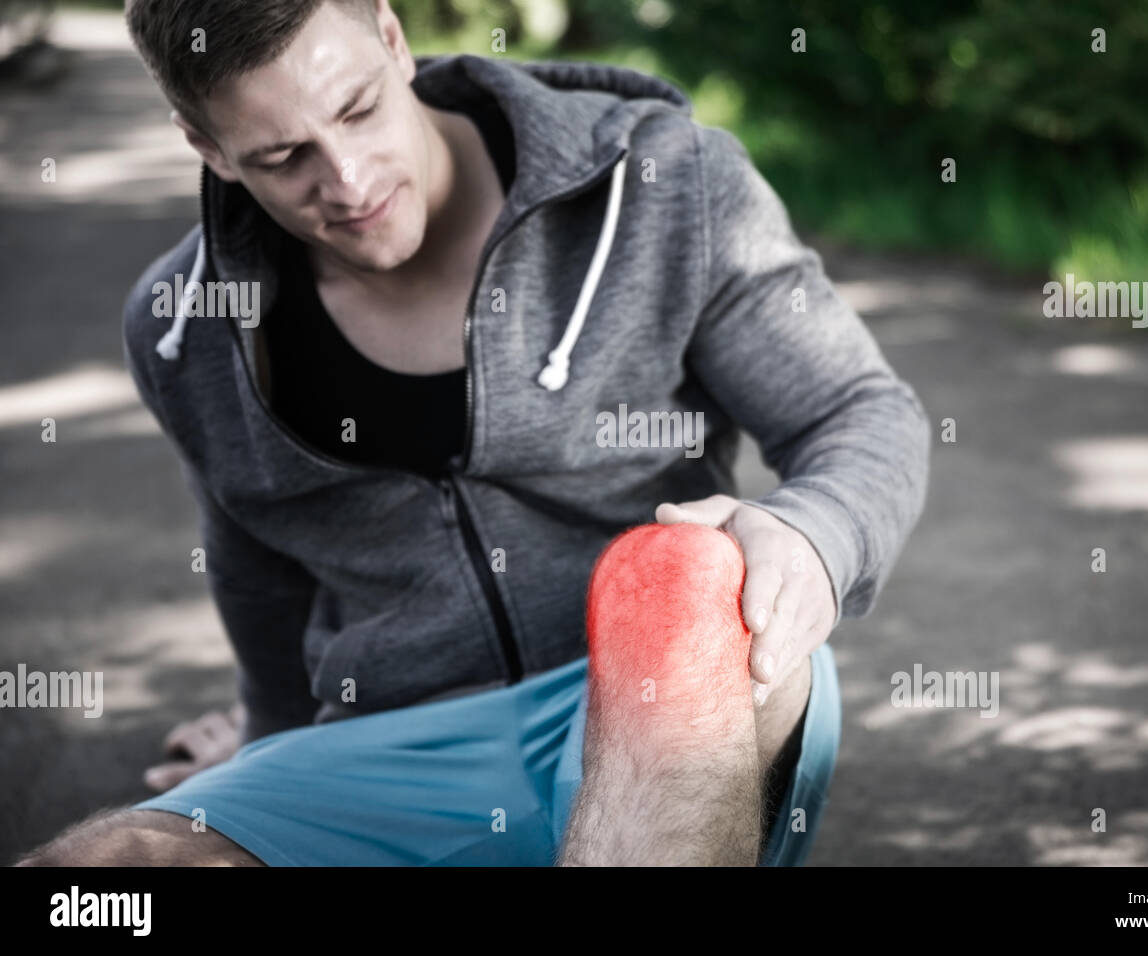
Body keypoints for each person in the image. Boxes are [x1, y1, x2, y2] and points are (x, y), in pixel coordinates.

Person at [15, 0, 930, 866]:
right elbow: (258, 570)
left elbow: (860, 411)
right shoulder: (188, 329)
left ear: (390, 33)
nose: (350, 181)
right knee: (100, 875)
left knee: (682, 573)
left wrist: (820, 539)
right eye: (285, 155)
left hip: (665, 696)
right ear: (206, 147)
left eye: (360, 107)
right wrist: (262, 750)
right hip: (399, 754)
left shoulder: (667, 186)